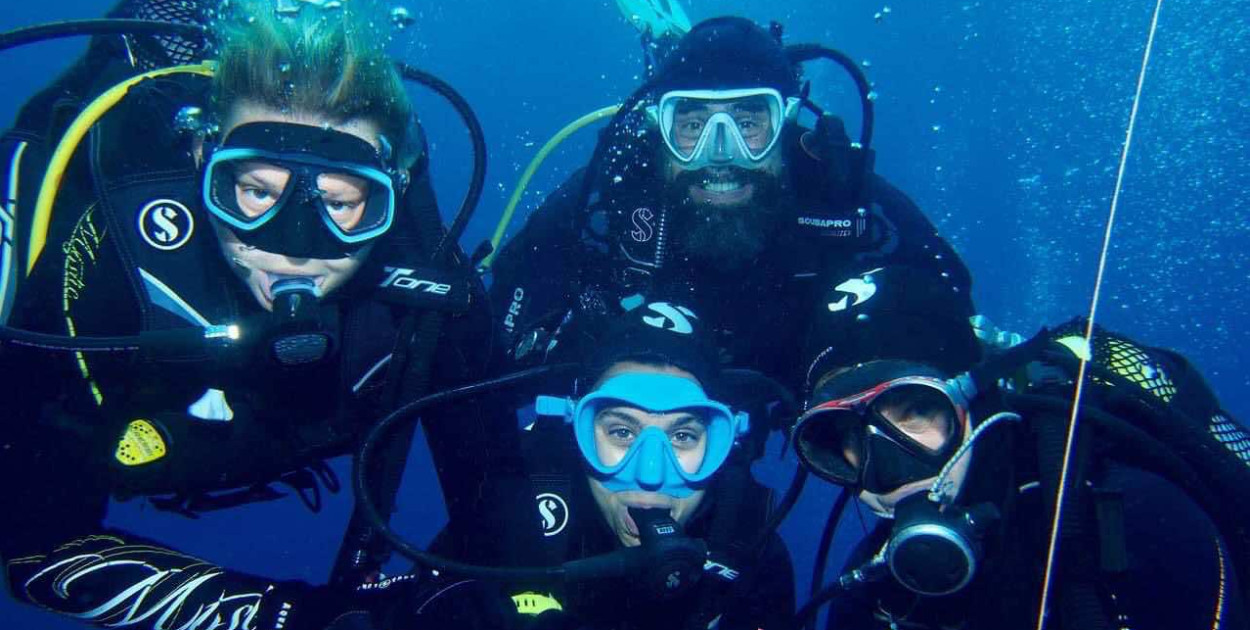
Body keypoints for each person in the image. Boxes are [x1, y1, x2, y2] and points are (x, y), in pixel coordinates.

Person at [0, 1, 491, 629]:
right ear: (205, 165)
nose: (291, 243)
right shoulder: (109, 267)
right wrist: (285, 617)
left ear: (387, 197)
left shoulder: (421, 296)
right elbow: (25, 537)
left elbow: (497, 496)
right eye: (256, 190)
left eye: (340, 202)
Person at [488, 16, 981, 449]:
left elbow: (950, 305)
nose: (718, 153)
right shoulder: (613, 195)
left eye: (748, 122)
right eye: (692, 124)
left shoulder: (835, 194)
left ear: (785, 124)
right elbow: (496, 340)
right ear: (658, 128)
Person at [789, 313, 1250, 630]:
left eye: (915, 411)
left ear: (976, 407)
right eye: (847, 439)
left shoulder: (1134, 518)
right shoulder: (872, 589)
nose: (887, 467)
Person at [365, 303, 795, 630]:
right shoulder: (514, 516)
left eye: (683, 437)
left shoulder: (749, 548)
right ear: (578, 434)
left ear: (722, 444)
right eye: (622, 432)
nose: (649, 473)